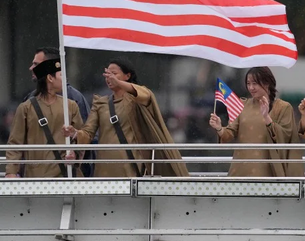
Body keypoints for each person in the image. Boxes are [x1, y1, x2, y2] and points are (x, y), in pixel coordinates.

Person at [62, 58, 189, 177]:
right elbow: (88, 132)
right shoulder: (101, 103)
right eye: (108, 74)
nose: (109, 77)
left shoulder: (136, 100)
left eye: (114, 73)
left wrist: (119, 83)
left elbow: (146, 95)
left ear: (127, 76)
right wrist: (75, 133)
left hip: (131, 168)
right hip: (105, 169)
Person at [208, 67, 304, 177]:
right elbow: (229, 134)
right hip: (241, 169)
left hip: (269, 170)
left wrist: (266, 117)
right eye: (248, 84)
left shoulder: (283, 107)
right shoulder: (242, 105)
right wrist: (219, 128)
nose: (251, 88)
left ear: (267, 83)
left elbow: (287, 137)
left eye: (255, 83)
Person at [6, 58, 83, 177]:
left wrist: (76, 154)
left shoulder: (71, 105)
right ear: (50, 78)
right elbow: (15, 143)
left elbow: (81, 138)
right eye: (61, 75)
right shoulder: (26, 108)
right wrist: (11, 172)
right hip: (36, 177)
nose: (65, 79)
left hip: (65, 175)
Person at [26, 47, 95, 178]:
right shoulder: (30, 100)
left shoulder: (74, 98)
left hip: (66, 176)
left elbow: (87, 137)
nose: (31, 68)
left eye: (36, 64)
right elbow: (19, 140)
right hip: (35, 176)